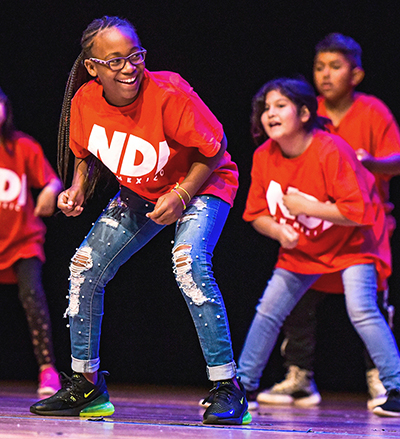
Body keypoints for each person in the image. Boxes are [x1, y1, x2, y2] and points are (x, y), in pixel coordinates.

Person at [29, 16, 251, 425]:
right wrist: (78, 187)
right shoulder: (84, 102)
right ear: (93, 67)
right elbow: (87, 151)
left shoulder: (168, 92)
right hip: (143, 191)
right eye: (115, 61)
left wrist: (182, 194)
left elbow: (214, 150)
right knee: (84, 268)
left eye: (135, 55)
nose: (130, 67)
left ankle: (227, 386)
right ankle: (87, 385)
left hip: (203, 185)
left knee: (189, 262)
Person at [236, 76, 400, 417]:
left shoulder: (331, 149)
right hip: (302, 250)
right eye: (266, 108)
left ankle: (395, 386)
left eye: (281, 106)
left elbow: (358, 212)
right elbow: (255, 214)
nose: (271, 113)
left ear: (305, 113)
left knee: (362, 309)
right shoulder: (264, 155)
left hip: (353, 245)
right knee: (269, 310)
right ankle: (242, 386)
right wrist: (280, 232)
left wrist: (305, 207)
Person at [0, 87, 62, 396]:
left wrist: (50, 191)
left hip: (23, 240)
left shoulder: (22, 146)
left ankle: (47, 369)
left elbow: (51, 179)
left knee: (33, 297)